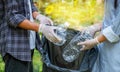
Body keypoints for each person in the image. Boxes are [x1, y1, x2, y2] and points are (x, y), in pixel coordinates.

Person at [0, 0, 61, 72]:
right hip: (16, 46)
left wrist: (39, 16)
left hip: (28, 45)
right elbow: (13, 17)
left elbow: (29, 5)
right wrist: (41, 28)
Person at [78, 0, 120, 72]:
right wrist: (97, 27)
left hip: (115, 51)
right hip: (105, 45)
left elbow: (117, 29)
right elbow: (113, 17)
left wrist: (95, 41)